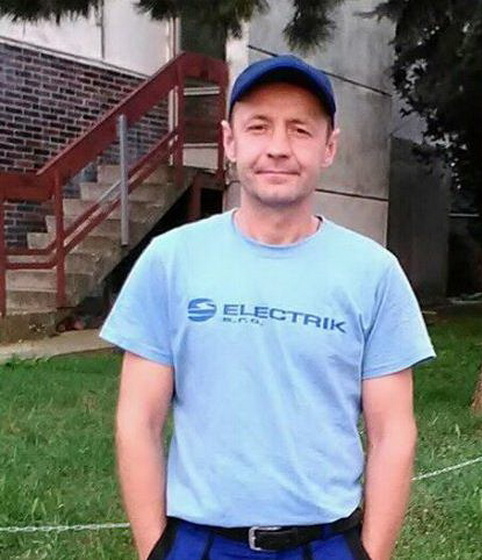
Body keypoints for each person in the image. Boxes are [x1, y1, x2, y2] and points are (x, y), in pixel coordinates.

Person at [100, 54, 435, 560]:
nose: (278, 148)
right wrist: (157, 549)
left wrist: (370, 554)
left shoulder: (374, 273)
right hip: (198, 544)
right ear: (230, 140)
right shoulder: (170, 261)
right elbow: (137, 420)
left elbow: (393, 434)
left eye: (300, 130)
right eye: (259, 127)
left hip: (327, 544)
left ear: (329, 147)